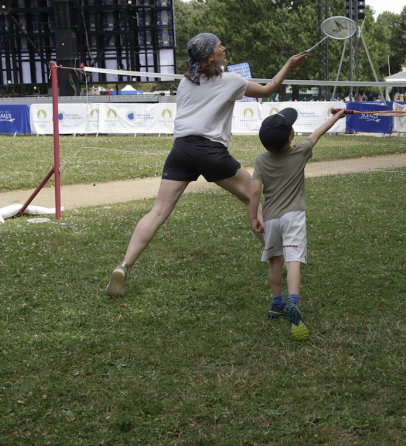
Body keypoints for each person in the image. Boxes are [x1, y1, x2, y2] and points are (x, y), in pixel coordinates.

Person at [105, 33, 307, 296]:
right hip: (211, 151)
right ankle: (277, 259)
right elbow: (268, 89)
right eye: (220, 46)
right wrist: (289, 65)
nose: (225, 48)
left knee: (158, 212)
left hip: (181, 150)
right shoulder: (231, 81)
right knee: (253, 200)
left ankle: (124, 266)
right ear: (211, 55)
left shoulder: (186, 82)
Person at [250, 107, 347, 341]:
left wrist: (254, 217)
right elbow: (317, 133)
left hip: (271, 218)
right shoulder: (300, 151)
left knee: (275, 260)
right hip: (293, 216)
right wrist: (336, 116)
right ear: (291, 136)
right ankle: (293, 301)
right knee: (293, 259)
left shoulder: (261, 160)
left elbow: (254, 190)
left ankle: (276, 303)